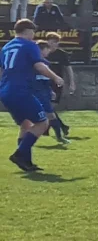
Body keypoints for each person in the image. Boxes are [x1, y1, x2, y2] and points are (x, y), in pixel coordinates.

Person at [3, 19, 60, 172]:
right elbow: (39, 66)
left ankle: (26, 162)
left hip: (6, 91)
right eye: (33, 32)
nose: (34, 35)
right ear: (28, 31)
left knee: (26, 125)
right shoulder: (29, 45)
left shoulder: (6, 47)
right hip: (21, 90)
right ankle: (19, 154)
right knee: (42, 122)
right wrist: (56, 78)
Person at [36, 37, 70, 147]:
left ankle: (59, 136)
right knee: (47, 116)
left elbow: (46, 80)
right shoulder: (35, 63)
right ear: (41, 50)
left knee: (50, 115)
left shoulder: (46, 63)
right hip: (37, 93)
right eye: (47, 49)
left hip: (45, 92)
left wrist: (51, 91)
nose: (49, 52)